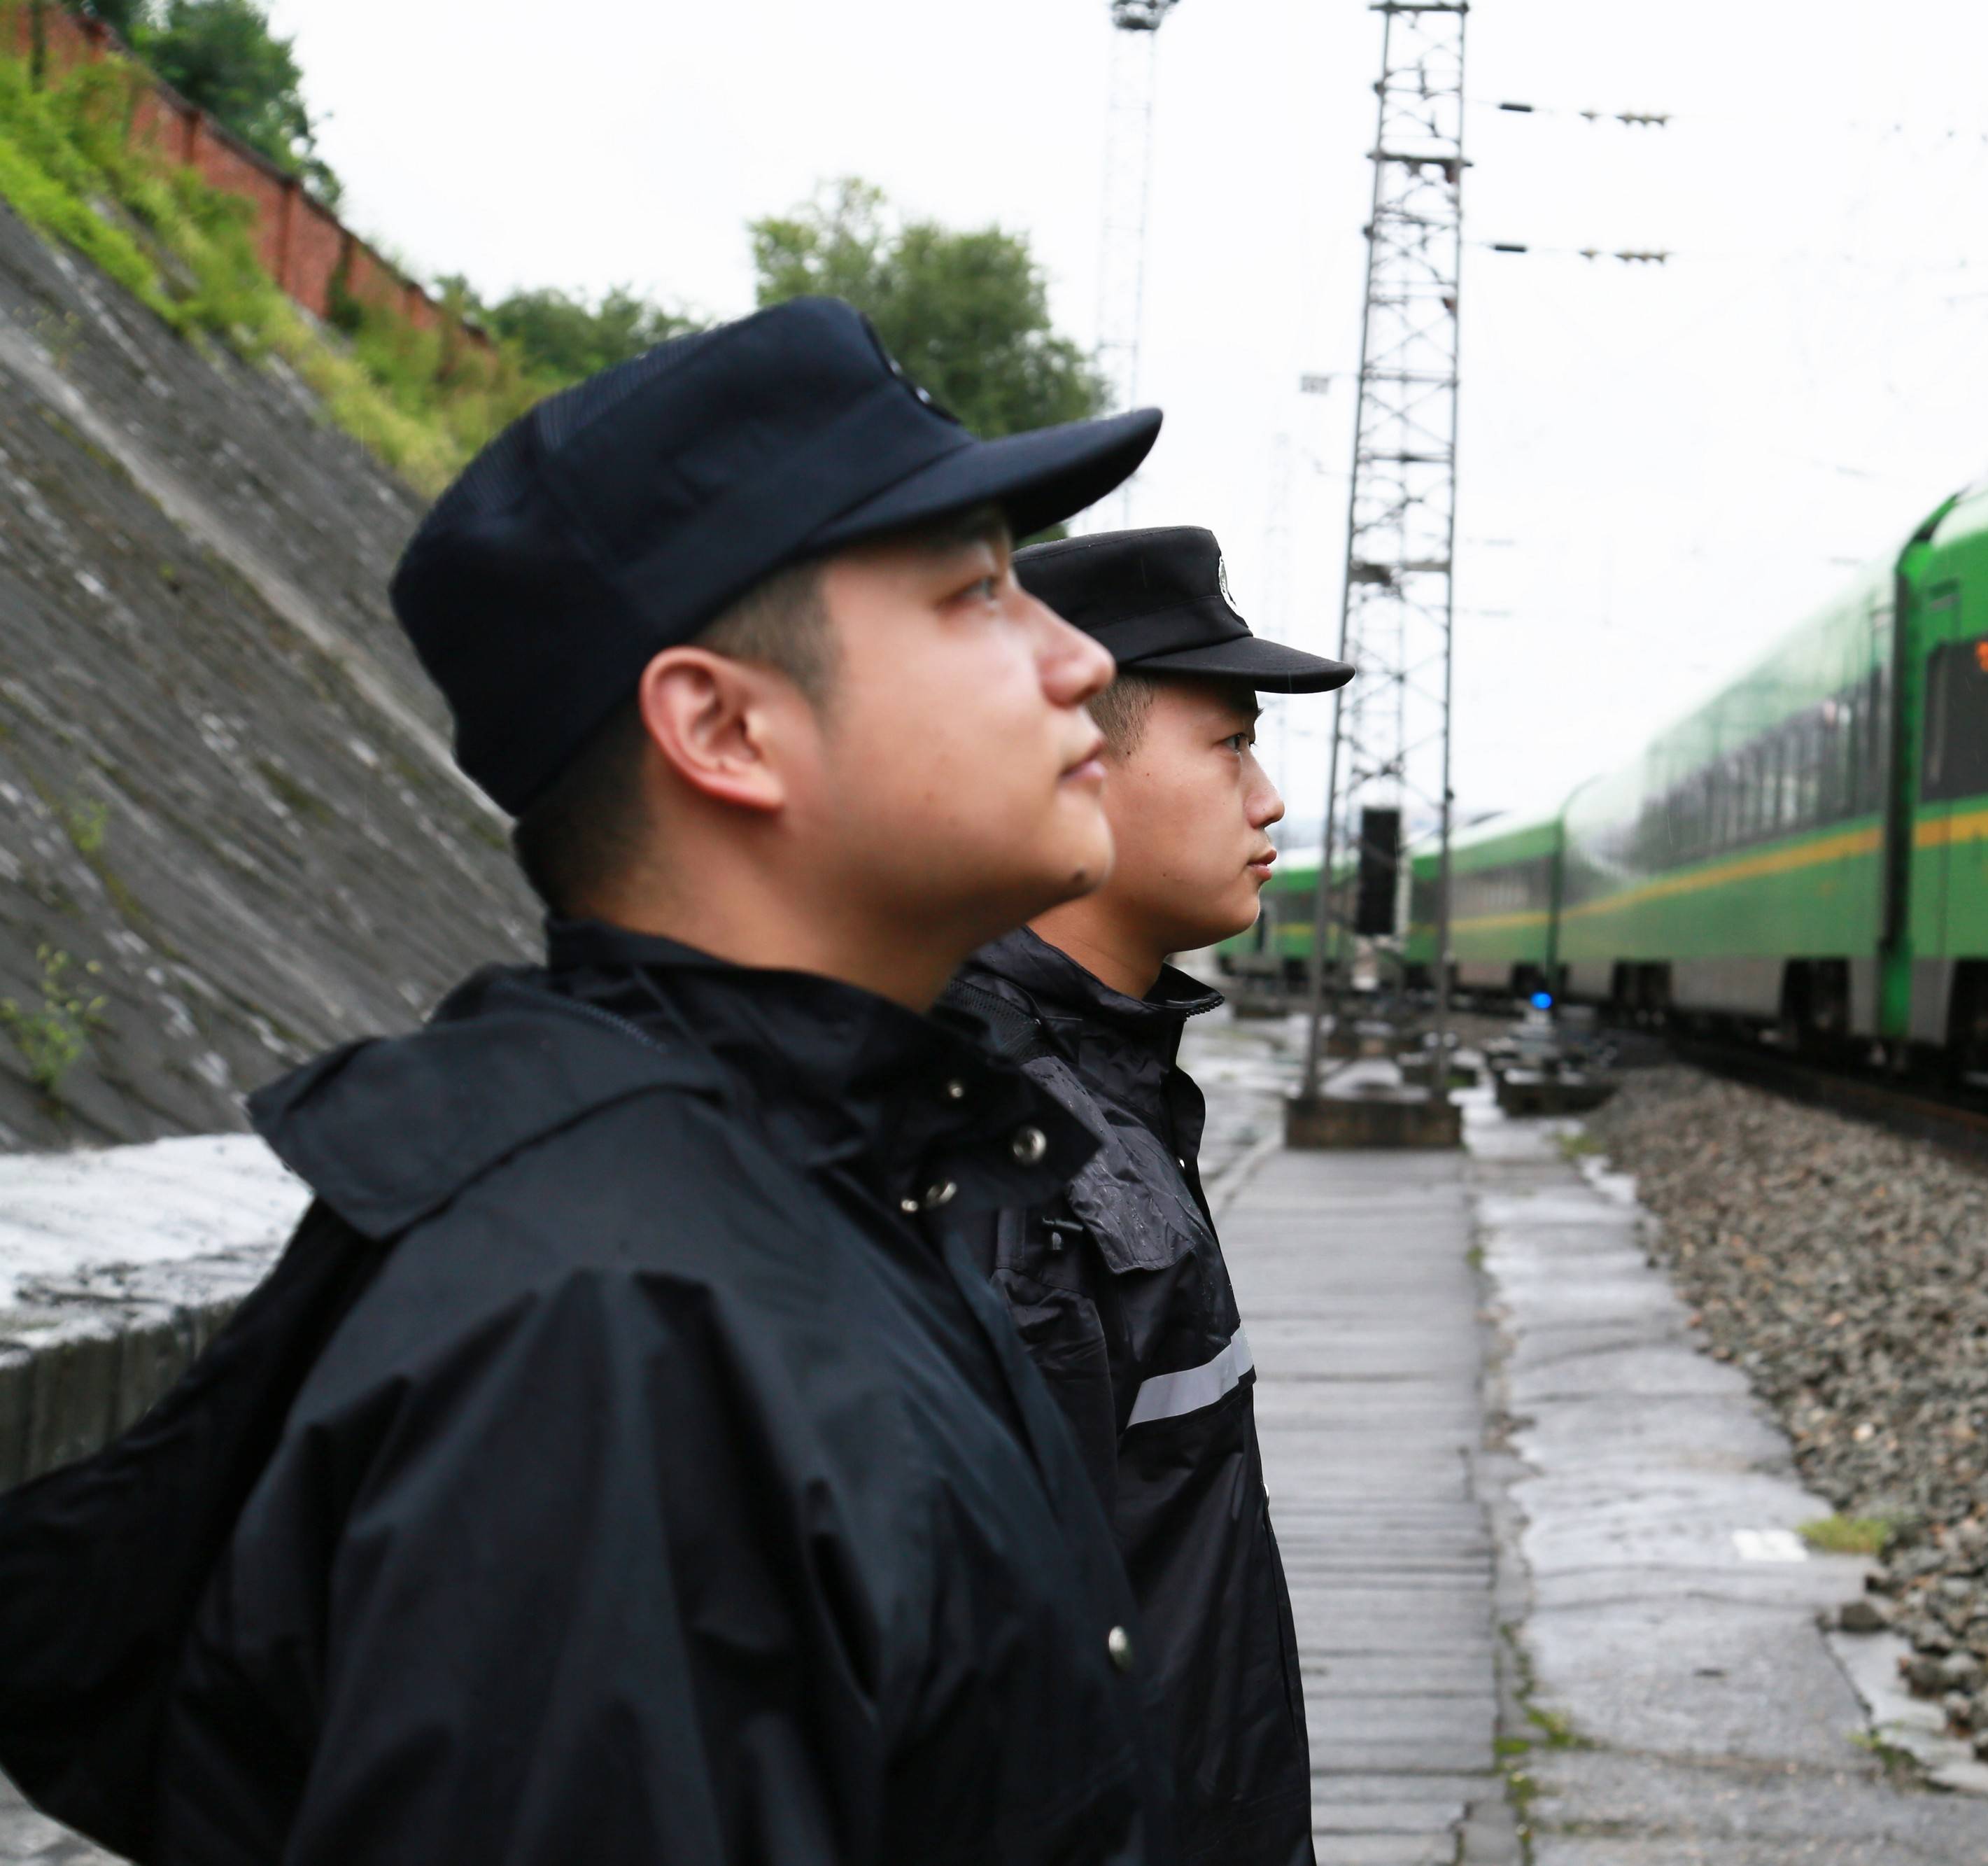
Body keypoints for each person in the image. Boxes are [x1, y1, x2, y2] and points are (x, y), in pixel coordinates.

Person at [0, 298, 1182, 1865]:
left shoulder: (820, 1196)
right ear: (721, 728)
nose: (1081, 660)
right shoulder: (608, 1336)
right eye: (976, 593)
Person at [942, 526, 1352, 1866]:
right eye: (1230, 743)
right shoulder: (1007, 1153)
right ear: (1073, 757)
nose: (1269, 796)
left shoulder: (1099, 1094)